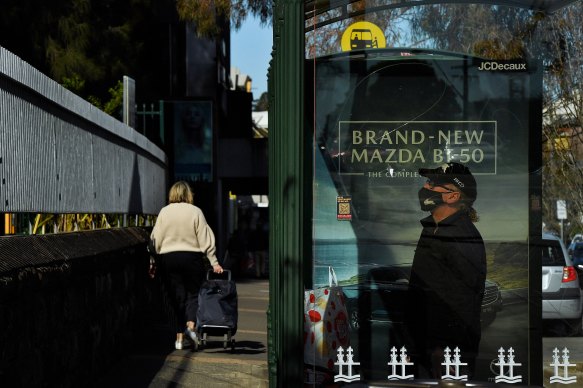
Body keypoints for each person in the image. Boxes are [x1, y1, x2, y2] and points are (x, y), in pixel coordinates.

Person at [406, 162, 486, 379]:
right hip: (426, 350)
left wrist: (446, 350)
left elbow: (462, 301)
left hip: (446, 356)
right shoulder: (434, 229)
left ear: (453, 196)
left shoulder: (461, 236)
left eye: (433, 183)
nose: (426, 187)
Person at [150, 181, 223, 350]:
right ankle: (191, 327)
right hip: (192, 258)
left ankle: (179, 339)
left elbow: (155, 240)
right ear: (188, 194)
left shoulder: (164, 212)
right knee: (192, 295)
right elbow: (205, 238)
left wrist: (153, 261)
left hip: (168, 258)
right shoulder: (196, 211)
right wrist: (214, 262)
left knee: (175, 297)